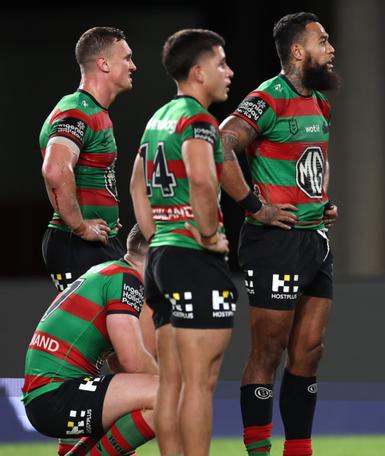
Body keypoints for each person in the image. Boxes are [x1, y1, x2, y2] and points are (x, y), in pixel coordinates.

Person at [218, 12, 338, 456]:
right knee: (268, 351)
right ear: (297, 50)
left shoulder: (320, 102)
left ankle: (299, 449)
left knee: (310, 350)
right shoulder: (267, 98)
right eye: (322, 41)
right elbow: (221, 144)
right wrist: (255, 207)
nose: (331, 48)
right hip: (275, 242)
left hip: (314, 240)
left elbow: (312, 159)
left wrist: (321, 200)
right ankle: (257, 450)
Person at [130, 28, 236, 456]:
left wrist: (159, 237)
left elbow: (137, 186)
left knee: (171, 383)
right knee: (200, 383)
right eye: (221, 63)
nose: (229, 71)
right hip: (193, 259)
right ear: (197, 72)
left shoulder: (158, 118)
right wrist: (209, 235)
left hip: (163, 260)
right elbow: (201, 178)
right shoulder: (197, 119)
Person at [22, 225, 157, 455]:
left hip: (50, 395)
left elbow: (119, 364)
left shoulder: (111, 271)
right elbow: (131, 361)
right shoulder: (127, 280)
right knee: (169, 395)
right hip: (55, 396)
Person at [40, 26, 136, 292]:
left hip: (96, 244)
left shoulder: (94, 111)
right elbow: (55, 170)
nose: (134, 66)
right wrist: (81, 226)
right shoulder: (77, 111)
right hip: (78, 245)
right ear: (103, 64)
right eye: (127, 58)